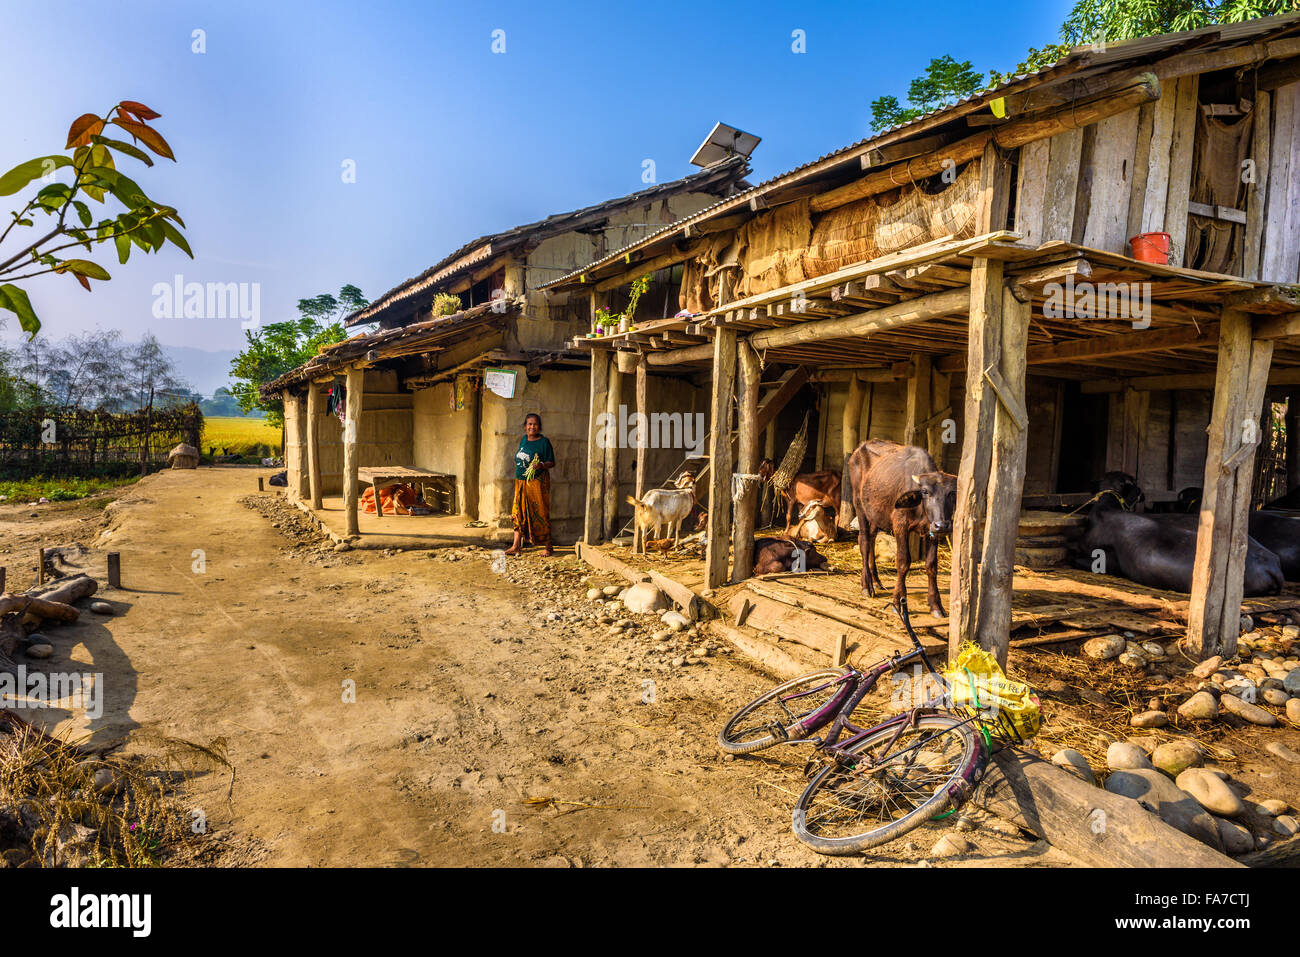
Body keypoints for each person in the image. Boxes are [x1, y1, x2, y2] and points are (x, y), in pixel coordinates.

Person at [504, 412, 555, 556]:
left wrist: (541, 465)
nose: (532, 427)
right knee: (518, 512)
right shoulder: (523, 440)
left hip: (537, 484)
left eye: (535, 424)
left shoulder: (544, 442)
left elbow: (552, 462)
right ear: (525, 426)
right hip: (520, 482)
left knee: (540, 512)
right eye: (529, 424)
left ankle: (548, 546)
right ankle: (516, 546)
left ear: (539, 426)